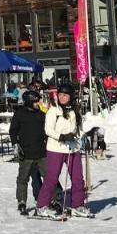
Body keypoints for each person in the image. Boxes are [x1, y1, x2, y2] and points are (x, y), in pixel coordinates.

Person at [33, 85, 92, 219]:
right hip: (56, 148)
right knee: (52, 178)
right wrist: (62, 136)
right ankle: (42, 205)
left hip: (73, 148)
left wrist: (83, 137)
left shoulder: (75, 111)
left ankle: (78, 205)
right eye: (60, 95)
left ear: (71, 97)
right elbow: (48, 130)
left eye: (65, 95)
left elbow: (78, 129)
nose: (62, 97)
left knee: (78, 178)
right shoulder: (53, 110)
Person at [9, 90, 47, 215]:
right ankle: (21, 201)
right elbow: (13, 130)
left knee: (49, 177)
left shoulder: (41, 114)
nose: (38, 103)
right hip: (25, 153)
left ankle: (50, 199)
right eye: (36, 101)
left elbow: (47, 130)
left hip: (41, 152)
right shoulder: (20, 114)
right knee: (22, 179)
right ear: (30, 101)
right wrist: (15, 144)